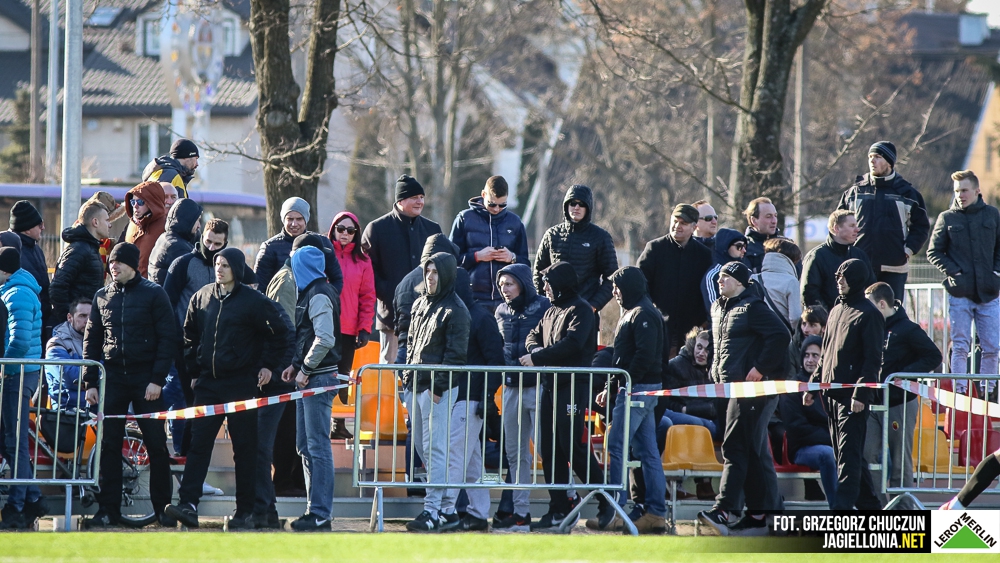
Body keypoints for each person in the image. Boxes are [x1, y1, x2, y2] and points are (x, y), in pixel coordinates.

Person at [165, 248, 289, 529]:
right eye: (217, 264)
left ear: (237, 269)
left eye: (225, 265)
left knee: (244, 451)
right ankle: (188, 505)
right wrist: (194, 371)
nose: (219, 269)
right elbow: (188, 336)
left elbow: (280, 335)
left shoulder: (254, 301)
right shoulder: (201, 296)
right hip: (208, 385)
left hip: (241, 385)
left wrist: (268, 367)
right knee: (198, 446)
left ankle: (244, 512)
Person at [80, 243, 176, 529]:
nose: (114, 266)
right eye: (111, 262)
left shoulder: (155, 294)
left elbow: (167, 338)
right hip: (113, 378)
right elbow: (92, 340)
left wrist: (157, 380)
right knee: (109, 445)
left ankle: (162, 510)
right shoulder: (101, 296)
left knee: (156, 445)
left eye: (119, 262)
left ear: (133, 265)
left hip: (146, 378)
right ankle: (107, 510)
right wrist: (90, 381)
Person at [697, 261, 788, 536]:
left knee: (735, 448)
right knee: (748, 450)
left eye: (725, 277)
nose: (719, 281)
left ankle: (724, 509)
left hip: (749, 391)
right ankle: (758, 514)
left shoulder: (753, 307)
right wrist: (713, 371)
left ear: (739, 282)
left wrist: (760, 368)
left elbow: (780, 335)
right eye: (719, 277)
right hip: (724, 388)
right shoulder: (717, 307)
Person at [521, 261, 612, 531]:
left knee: (572, 445)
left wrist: (538, 357)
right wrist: (536, 351)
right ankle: (559, 506)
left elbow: (572, 344)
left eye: (548, 282)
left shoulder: (581, 309)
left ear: (561, 283)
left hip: (572, 386)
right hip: (551, 385)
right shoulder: (551, 310)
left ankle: (606, 498)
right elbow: (532, 335)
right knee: (549, 448)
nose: (544, 288)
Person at [588, 266, 666, 534]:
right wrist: (612, 386)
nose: (614, 293)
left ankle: (616, 511)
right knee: (648, 451)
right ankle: (655, 513)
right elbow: (623, 358)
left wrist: (624, 385)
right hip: (638, 388)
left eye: (617, 287)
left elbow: (643, 356)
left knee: (617, 445)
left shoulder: (643, 313)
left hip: (637, 390)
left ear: (630, 286)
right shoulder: (637, 311)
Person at [403, 252, 471, 533]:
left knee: (436, 449)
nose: (430, 277)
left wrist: (438, 388)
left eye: (435, 273)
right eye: (428, 272)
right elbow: (410, 343)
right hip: (415, 386)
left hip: (436, 389)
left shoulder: (457, 310)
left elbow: (455, 356)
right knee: (424, 448)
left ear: (447, 275)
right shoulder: (420, 302)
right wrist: (406, 379)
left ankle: (432, 511)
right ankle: (447, 511)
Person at [811, 259, 884, 510]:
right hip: (831, 395)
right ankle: (871, 510)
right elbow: (826, 352)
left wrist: (861, 393)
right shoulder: (835, 310)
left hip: (852, 399)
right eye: (838, 276)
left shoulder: (869, 314)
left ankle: (841, 512)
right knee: (847, 455)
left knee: (848, 459)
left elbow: (873, 359)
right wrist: (813, 384)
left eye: (845, 276)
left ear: (857, 279)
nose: (840, 281)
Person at [281, 246, 341, 532]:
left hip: (318, 378)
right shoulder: (314, 291)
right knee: (305, 446)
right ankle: (313, 510)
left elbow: (325, 338)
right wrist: (296, 365)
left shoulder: (317, 293)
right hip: (312, 376)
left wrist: (304, 369)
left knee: (317, 446)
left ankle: (320, 513)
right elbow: (310, 336)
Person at [927, 170, 1000, 396]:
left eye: (964, 190)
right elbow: (934, 252)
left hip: (989, 291)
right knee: (960, 345)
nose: (960, 195)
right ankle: (959, 391)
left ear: (977, 191)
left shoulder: (992, 215)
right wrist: (955, 272)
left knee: (992, 346)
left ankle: (988, 392)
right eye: (957, 191)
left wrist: (996, 272)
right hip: (960, 292)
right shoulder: (947, 218)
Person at [864, 282, 941, 493]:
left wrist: (904, 374)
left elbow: (933, 356)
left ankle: (902, 507)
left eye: (869, 305)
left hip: (900, 403)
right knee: (867, 455)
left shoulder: (908, 329)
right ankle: (876, 505)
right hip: (873, 402)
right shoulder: (870, 327)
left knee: (900, 459)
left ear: (882, 304)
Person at [162, 219, 229, 457]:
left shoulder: (229, 267)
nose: (211, 247)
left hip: (214, 350)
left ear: (225, 244)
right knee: (181, 398)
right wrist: (173, 339)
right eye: (208, 241)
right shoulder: (183, 264)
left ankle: (192, 455)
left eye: (217, 244)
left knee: (201, 406)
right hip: (183, 346)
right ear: (201, 236)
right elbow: (167, 303)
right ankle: (182, 452)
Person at [491, 263, 550, 531]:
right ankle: (520, 512)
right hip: (511, 388)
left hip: (538, 387)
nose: (504, 289)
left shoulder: (544, 306)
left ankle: (564, 501)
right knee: (515, 454)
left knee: (546, 449)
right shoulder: (500, 311)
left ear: (523, 284)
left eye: (509, 283)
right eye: (501, 284)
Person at [444, 274, 504, 532]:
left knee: (456, 456)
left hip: (470, 397)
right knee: (470, 461)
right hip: (460, 397)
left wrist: (486, 397)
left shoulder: (480, 318)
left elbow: (496, 361)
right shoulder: (459, 314)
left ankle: (445, 511)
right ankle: (478, 513)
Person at [362, 175, 442, 366]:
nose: (420, 202)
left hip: (427, 316)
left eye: (422, 197)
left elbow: (444, 266)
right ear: (400, 201)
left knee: (423, 368)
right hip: (391, 316)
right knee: (389, 368)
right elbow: (366, 271)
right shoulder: (376, 229)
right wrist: (388, 292)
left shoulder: (433, 229)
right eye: (414, 197)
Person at [838, 141, 929, 302]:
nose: (872, 161)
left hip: (894, 268)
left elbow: (921, 227)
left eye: (878, 157)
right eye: (870, 157)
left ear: (889, 162)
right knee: (860, 313)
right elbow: (838, 223)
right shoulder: (854, 192)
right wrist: (844, 252)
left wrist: (907, 251)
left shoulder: (907, 193)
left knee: (891, 313)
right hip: (859, 266)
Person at [0, 246, 46, 530]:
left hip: (17, 374)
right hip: (22, 373)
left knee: (14, 441)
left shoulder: (16, 293)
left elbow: (19, 339)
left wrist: (4, 365)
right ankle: (34, 497)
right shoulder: (18, 289)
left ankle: (17, 505)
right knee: (12, 439)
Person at [532, 185, 618, 333]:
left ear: (588, 208)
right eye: (573, 203)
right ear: (566, 206)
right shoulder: (552, 235)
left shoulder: (600, 237)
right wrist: (545, 303)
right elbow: (538, 273)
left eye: (581, 204)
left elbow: (612, 278)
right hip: (554, 314)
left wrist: (593, 305)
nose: (576, 207)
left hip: (585, 315)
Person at [636, 204, 712, 357]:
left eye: (683, 223)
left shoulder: (704, 255)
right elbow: (639, 285)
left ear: (694, 227)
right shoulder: (655, 249)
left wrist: (702, 321)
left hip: (691, 330)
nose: (677, 226)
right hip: (658, 326)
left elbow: (706, 291)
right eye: (675, 221)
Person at [327, 211, 376, 439]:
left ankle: (338, 423)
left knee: (343, 376)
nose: (345, 234)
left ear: (356, 233)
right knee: (321, 375)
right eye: (341, 229)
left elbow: (367, 297)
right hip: (323, 326)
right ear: (333, 230)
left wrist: (364, 328)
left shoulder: (363, 261)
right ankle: (323, 419)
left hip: (347, 328)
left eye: (350, 230)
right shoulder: (323, 254)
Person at [449, 175, 529, 311]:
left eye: (502, 205)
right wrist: (476, 256)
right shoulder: (464, 219)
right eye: (492, 204)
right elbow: (450, 261)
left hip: (506, 301)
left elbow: (526, 264)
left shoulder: (515, 222)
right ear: (483, 195)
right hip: (472, 299)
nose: (496, 209)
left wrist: (512, 257)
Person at [779, 336, 837, 509]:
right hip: (802, 449)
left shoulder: (832, 386)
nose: (810, 360)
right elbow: (797, 428)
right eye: (806, 355)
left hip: (832, 443)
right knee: (827, 454)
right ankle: (840, 509)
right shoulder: (793, 387)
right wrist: (833, 439)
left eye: (815, 356)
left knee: (875, 456)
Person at [254, 197, 343, 294]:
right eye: (290, 219)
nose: (294, 224)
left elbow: (337, 279)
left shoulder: (322, 243)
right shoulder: (270, 248)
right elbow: (259, 286)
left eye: (299, 219)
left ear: (306, 220)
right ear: (283, 220)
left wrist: (326, 296)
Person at [800, 209, 874, 311]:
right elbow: (810, 294)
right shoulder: (816, 256)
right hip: (828, 318)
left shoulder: (860, 255)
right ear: (836, 228)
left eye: (856, 225)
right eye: (852, 226)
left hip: (857, 316)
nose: (857, 229)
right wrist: (830, 316)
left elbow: (871, 287)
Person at [50, 200, 111, 322]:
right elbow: (57, 287)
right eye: (107, 220)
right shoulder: (80, 250)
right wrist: (69, 321)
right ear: (95, 222)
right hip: (76, 325)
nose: (110, 225)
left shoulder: (90, 248)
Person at [7, 200, 51, 334]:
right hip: (22, 322)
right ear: (27, 229)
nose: (43, 228)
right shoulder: (12, 252)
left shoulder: (36, 249)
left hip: (38, 320)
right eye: (39, 224)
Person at [44, 298, 91, 411]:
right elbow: (69, 377)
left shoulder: (101, 341)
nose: (88, 321)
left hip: (97, 408)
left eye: (91, 316)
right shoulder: (57, 342)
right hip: (67, 410)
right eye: (82, 316)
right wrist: (97, 375)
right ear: (70, 317)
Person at [148, 198, 203, 286]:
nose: (199, 226)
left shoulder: (167, 238)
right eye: (197, 220)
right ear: (188, 221)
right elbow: (196, 278)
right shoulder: (177, 247)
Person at [123, 181, 168, 278]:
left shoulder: (166, 227)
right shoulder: (132, 225)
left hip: (153, 284)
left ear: (152, 203)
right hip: (130, 283)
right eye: (132, 202)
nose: (135, 206)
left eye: (140, 202)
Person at [755, 237, 802, 328]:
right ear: (792, 260)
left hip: (756, 331)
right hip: (781, 332)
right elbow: (795, 317)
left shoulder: (754, 278)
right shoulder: (791, 281)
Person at [701, 228, 748, 314]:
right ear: (725, 246)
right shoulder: (714, 275)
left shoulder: (746, 271)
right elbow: (715, 312)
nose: (744, 250)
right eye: (739, 246)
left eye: (745, 246)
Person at [742, 197, 778, 273]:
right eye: (768, 216)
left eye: (775, 216)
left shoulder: (786, 245)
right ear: (754, 220)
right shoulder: (743, 247)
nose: (774, 221)